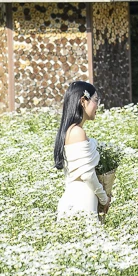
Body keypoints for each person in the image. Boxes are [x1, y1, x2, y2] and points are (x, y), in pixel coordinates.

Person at [53, 81, 111, 218]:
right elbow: (87, 175)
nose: (98, 105)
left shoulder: (70, 131)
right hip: (82, 202)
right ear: (83, 101)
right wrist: (104, 198)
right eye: (96, 100)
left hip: (76, 198)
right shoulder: (77, 132)